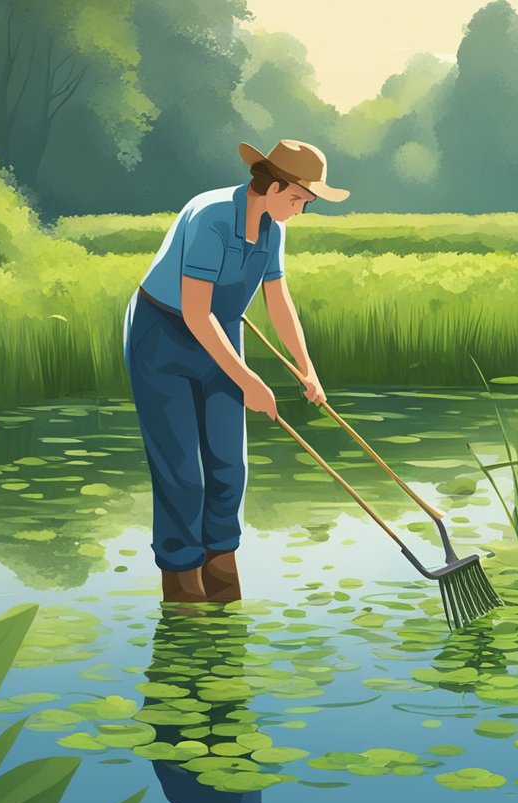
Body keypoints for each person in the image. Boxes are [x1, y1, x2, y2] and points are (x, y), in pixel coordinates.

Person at [122, 139, 349, 603]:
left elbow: (277, 300)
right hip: (163, 336)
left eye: (305, 204)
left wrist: (307, 369)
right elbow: (194, 310)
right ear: (271, 184)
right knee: (183, 472)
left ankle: (222, 572)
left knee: (229, 466)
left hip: (220, 333)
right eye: (296, 200)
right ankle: (183, 585)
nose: (300, 211)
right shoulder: (210, 216)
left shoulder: (273, 230)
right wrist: (249, 382)